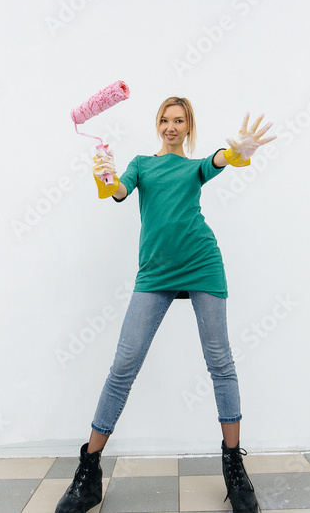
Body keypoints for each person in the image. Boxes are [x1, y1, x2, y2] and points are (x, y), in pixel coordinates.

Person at [55, 96, 276, 513]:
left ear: (188, 126)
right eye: (164, 120)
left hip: (202, 264)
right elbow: (118, 191)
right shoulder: (142, 163)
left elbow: (219, 159)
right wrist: (105, 176)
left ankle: (234, 466)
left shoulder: (194, 167)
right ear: (157, 124)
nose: (170, 126)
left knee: (220, 362)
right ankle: (88, 471)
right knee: (123, 366)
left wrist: (237, 152)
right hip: (155, 272)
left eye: (178, 120)